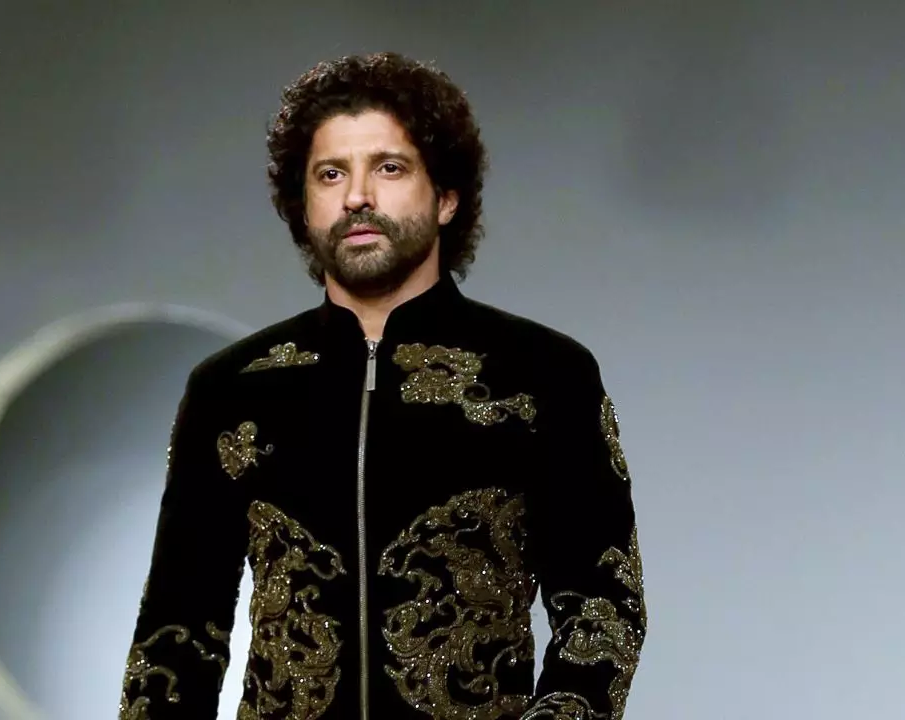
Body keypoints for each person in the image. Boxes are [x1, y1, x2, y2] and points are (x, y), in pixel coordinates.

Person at [119, 51, 647, 720]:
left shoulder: (544, 373)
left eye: (389, 168)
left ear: (446, 197)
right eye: (331, 173)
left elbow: (603, 609)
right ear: (302, 207)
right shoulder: (233, 389)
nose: (357, 196)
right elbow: (176, 630)